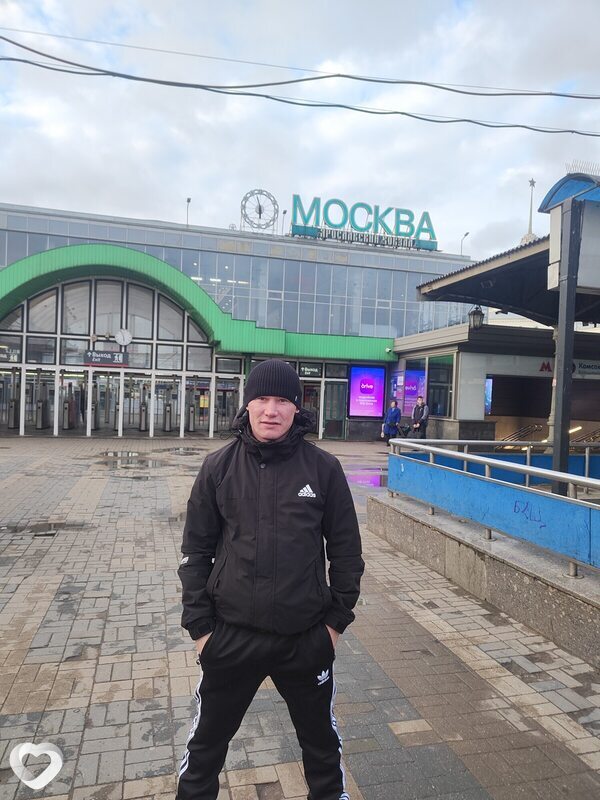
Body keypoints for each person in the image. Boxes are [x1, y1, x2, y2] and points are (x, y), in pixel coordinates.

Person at [177, 359, 364, 800]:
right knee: (204, 752)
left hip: (305, 639)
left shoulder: (324, 469)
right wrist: (201, 630)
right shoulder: (218, 467)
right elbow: (195, 553)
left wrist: (333, 627)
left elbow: (347, 554)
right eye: (261, 398)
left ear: (297, 408)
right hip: (231, 638)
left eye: (282, 400)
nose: (271, 410)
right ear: (247, 405)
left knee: (322, 750)